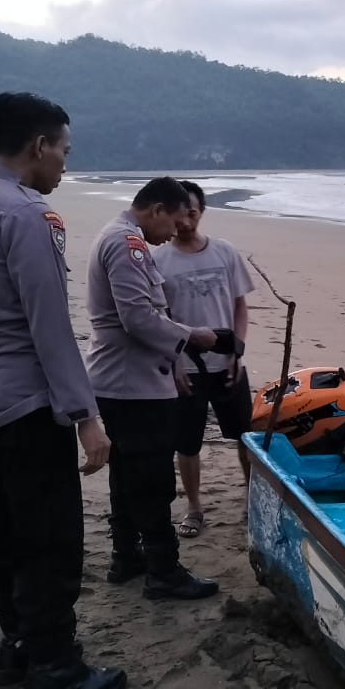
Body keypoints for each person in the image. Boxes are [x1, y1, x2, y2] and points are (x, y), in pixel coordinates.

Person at [0, 91, 126, 689]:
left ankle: (16, 642)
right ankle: (55, 668)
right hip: (33, 403)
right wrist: (86, 415)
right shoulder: (26, 215)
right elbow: (49, 327)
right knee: (50, 538)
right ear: (38, 146)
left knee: (7, 528)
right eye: (64, 149)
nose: (66, 162)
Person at [85, 177, 223, 599]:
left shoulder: (119, 237)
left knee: (127, 476)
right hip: (134, 385)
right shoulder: (127, 244)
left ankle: (127, 557)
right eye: (175, 220)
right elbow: (139, 318)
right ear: (157, 209)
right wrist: (190, 335)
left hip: (129, 378)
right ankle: (163, 570)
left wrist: (173, 356)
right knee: (151, 479)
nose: (174, 232)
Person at [152, 180, 255, 538]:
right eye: (181, 213)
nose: (185, 220)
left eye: (192, 211)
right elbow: (158, 316)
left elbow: (240, 306)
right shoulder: (158, 259)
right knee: (187, 441)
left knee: (246, 436)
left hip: (228, 365)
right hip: (186, 368)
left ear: (201, 211)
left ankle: (252, 497)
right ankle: (194, 508)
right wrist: (174, 360)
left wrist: (237, 352)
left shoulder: (225, 252)